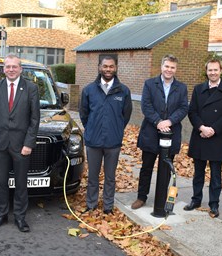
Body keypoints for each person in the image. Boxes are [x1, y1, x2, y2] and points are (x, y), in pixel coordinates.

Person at [0, 54, 40, 232]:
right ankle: (1, 215)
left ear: (20, 69)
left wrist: (28, 144)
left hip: (21, 145)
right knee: (0, 182)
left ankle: (20, 217)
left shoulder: (31, 88)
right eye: (8, 66)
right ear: (3, 69)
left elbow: (34, 119)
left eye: (14, 66)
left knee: (21, 183)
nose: (11, 69)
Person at [131, 54, 188, 211]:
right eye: (167, 66)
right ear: (161, 67)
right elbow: (146, 106)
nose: (169, 70)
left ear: (176, 69)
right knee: (146, 167)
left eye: (172, 67)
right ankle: (141, 197)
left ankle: (162, 198)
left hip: (171, 133)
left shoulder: (181, 88)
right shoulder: (150, 84)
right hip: (151, 133)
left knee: (166, 169)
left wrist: (169, 122)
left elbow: (183, 108)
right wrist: (158, 122)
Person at [184, 58, 222, 218]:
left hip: (217, 137)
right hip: (200, 135)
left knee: (216, 175)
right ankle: (196, 200)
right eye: (210, 70)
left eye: (215, 70)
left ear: (221, 71)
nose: (212, 73)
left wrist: (212, 130)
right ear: (206, 72)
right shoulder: (198, 88)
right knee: (198, 173)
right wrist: (202, 127)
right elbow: (192, 111)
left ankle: (214, 204)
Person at [79, 55, 132, 214]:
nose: (108, 69)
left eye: (111, 66)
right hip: (93, 141)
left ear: (115, 68)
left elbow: (126, 115)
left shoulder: (123, 91)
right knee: (93, 177)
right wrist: (92, 128)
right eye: (105, 66)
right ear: (99, 67)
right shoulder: (89, 90)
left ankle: (108, 207)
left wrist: (116, 129)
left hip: (113, 142)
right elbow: (84, 114)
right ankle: (91, 205)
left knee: (110, 177)